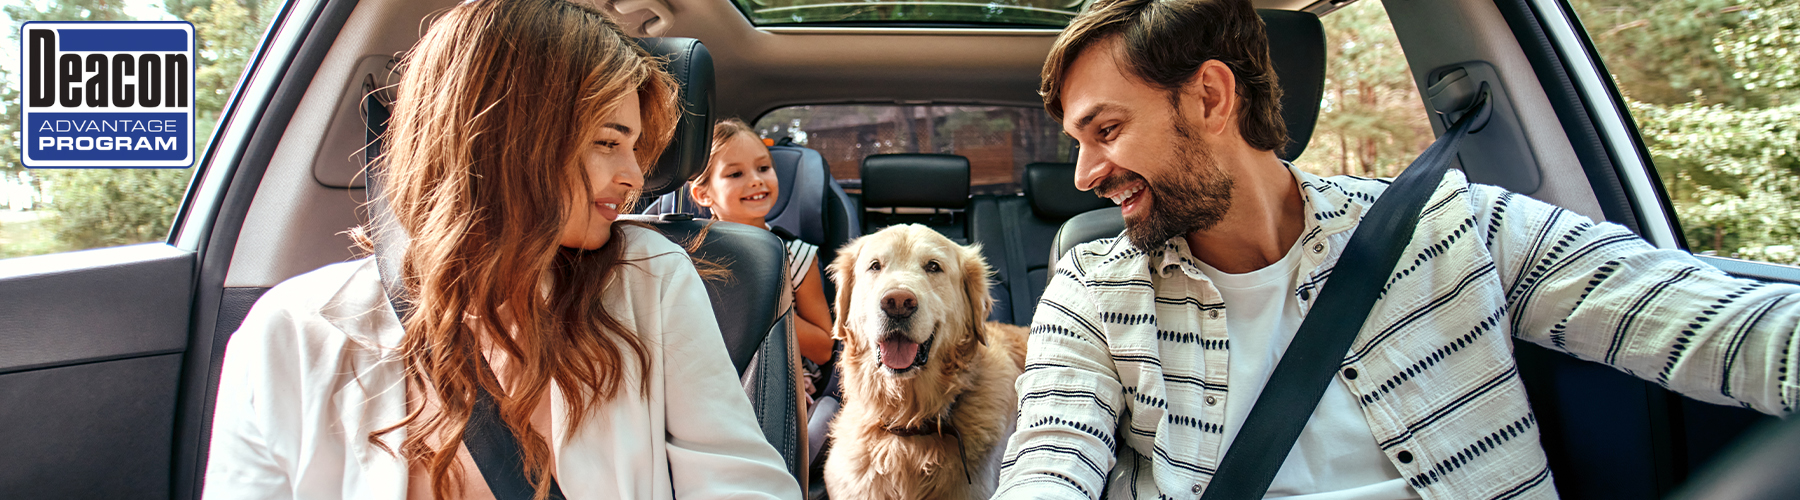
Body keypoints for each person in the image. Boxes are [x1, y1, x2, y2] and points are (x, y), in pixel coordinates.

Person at [996, 0, 1800, 499]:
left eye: (1106, 131)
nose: (1087, 173)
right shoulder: (1089, 290)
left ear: (1210, 96)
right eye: (1080, 141)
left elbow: (1726, 327)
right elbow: (1051, 458)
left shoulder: (1457, 226)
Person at [202, 1, 802, 498]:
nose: (634, 179)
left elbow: (740, 484)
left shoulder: (649, 279)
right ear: (504, 137)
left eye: (636, 150)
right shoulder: (288, 331)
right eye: (607, 143)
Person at [690, 118, 835, 403]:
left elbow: (823, 349)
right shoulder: (690, 257)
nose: (756, 180)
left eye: (763, 168)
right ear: (703, 193)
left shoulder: (797, 256)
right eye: (735, 174)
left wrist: (762, 309)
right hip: (705, 381)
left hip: (781, 381)